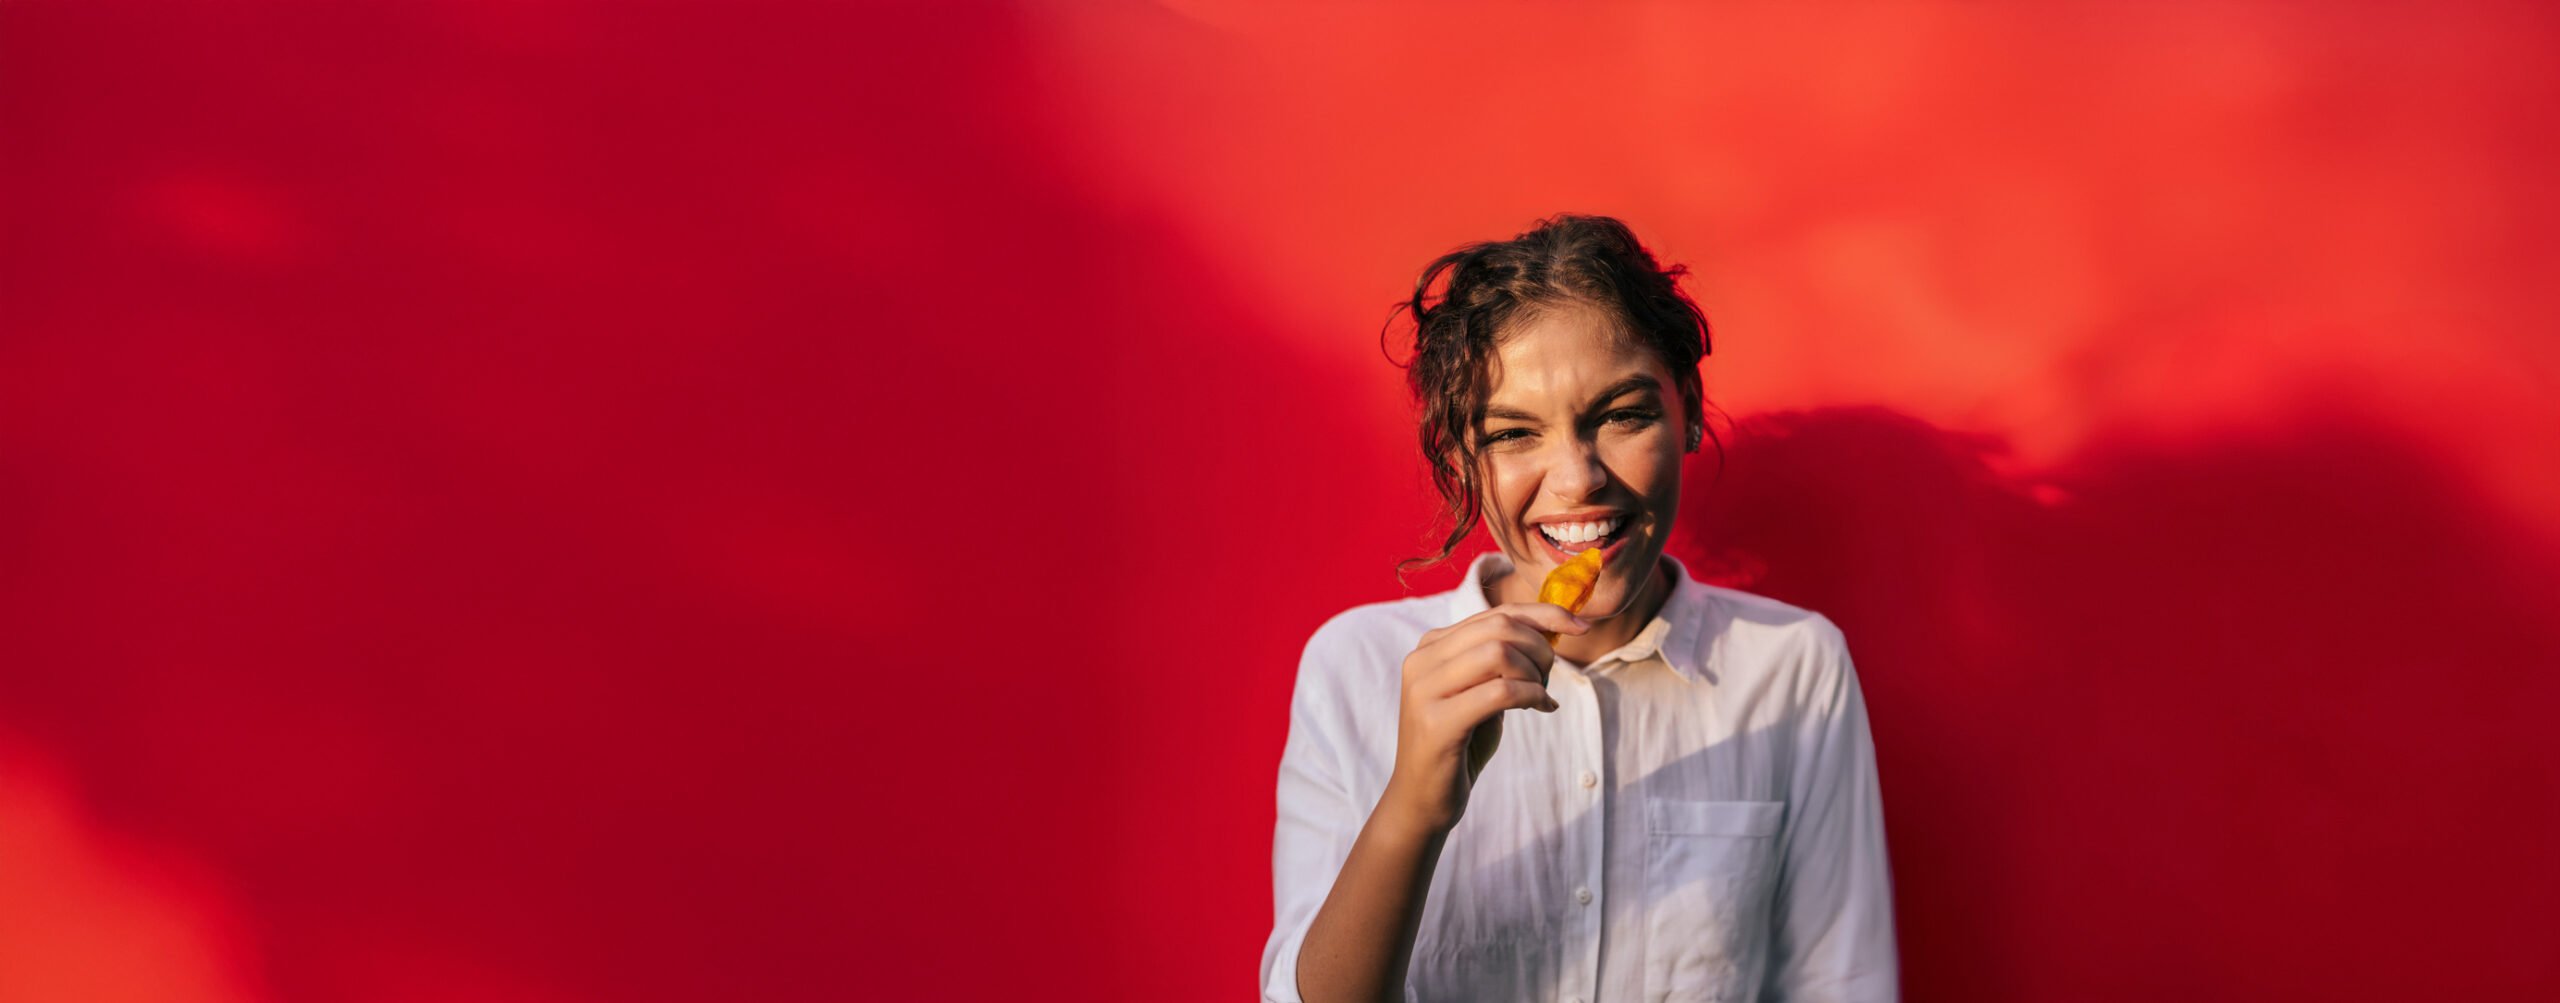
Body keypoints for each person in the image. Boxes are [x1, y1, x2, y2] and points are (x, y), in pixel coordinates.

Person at [1260, 214, 1898, 1003]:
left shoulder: (1795, 666)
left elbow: (1844, 984)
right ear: (1461, 455)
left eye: (1623, 415)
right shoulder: (1355, 667)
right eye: (1513, 433)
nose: (1576, 478)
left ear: (1689, 408)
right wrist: (1414, 807)